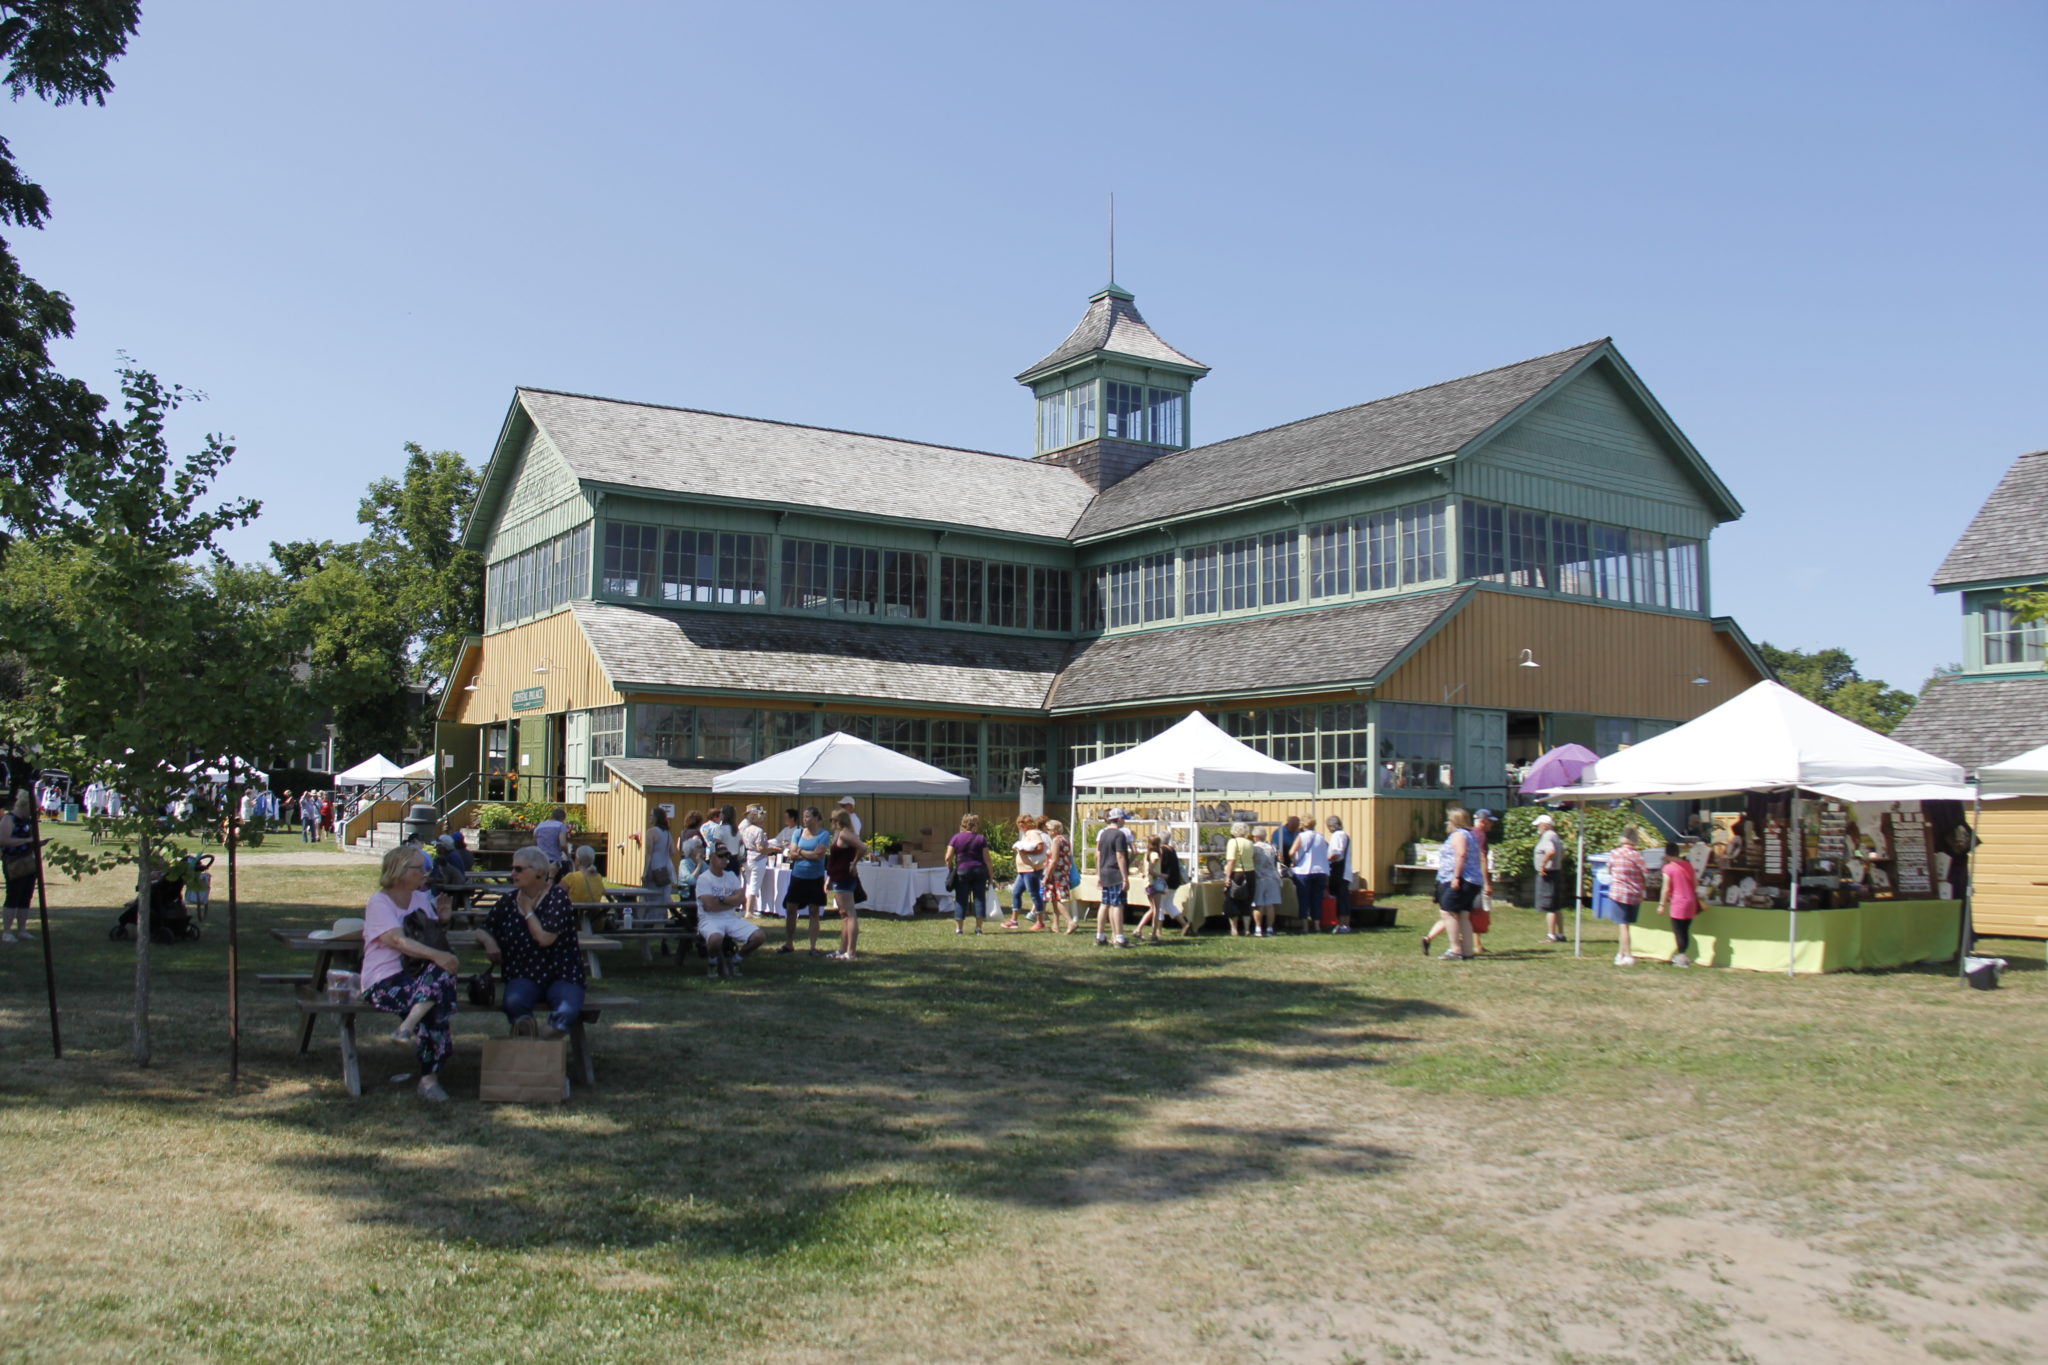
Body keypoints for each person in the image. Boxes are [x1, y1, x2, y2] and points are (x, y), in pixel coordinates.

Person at [360, 844, 461, 1102]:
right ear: (401, 871)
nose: (426, 873)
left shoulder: (420, 898)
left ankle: (406, 1028)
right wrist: (438, 956)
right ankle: (429, 1080)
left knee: (441, 978)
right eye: (420, 868)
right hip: (385, 980)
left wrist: (443, 921)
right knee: (439, 997)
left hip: (418, 976)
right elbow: (397, 941)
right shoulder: (379, 902)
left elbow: (429, 940)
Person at [476, 845, 585, 1039]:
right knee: (514, 1003)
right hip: (523, 972)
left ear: (539, 873)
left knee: (567, 1012)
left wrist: (527, 912)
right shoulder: (508, 901)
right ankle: (527, 1042)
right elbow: (483, 927)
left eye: (519, 869)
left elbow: (544, 938)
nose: (513, 874)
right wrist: (489, 942)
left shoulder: (557, 898)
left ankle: (538, 1043)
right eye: (512, 868)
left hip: (561, 973)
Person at [694, 844, 763, 974]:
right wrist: (731, 901)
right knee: (715, 939)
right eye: (721, 856)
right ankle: (712, 962)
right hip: (709, 919)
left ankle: (736, 959)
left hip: (731, 918)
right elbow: (709, 906)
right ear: (711, 857)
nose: (725, 859)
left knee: (759, 936)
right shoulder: (704, 879)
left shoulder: (731, 876)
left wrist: (721, 899)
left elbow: (742, 900)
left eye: (727, 856)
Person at [1427, 809, 1481, 961]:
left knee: (1447, 912)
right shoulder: (1470, 835)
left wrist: (1456, 877)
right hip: (1473, 880)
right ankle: (1468, 951)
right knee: (1463, 914)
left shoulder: (1459, 835)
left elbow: (1461, 854)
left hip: (1461, 879)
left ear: (1455, 821)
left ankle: (1456, 949)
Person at [781, 806, 831, 954]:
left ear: (816, 818)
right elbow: (792, 853)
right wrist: (805, 853)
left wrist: (800, 852)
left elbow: (818, 855)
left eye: (808, 816)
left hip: (815, 877)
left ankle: (813, 947)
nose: (805, 819)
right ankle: (789, 943)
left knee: (814, 911)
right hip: (798, 876)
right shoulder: (798, 832)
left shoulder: (824, 834)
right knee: (791, 908)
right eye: (804, 817)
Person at [825, 810, 868, 960]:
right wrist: (829, 878)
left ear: (838, 820)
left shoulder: (845, 834)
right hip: (837, 876)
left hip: (844, 876)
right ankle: (842, 949)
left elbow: (863, 848)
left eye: (832, 819)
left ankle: (851, 951)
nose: (830, 823)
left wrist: (854, 863)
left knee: (850, 914)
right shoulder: (841, 834)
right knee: (844, 915)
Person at [2, 791, 39, 942]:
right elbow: (3, 840)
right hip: (14, 862)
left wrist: (36, 843)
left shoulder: (28, 821)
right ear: (25, 805)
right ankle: (7, 931)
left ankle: (22, 929)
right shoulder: (8, 819)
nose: (33, 812)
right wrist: (27, 841)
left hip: (29, 861)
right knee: (14, 895)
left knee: (26, 896)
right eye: (32, 808)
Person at [1607, 826, 1646, 966]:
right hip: (1635, 893)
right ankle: (1621, 953)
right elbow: (1644, 873)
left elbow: (1609, 870)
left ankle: (1628, 955)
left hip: (1618, 892)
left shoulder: (1614, 853)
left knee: (1623, 926)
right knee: (1626, 925)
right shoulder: (1638, 855)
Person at [1093, 808, 1133, 947]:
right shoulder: (1119, 835)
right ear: (1119, 819)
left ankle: (1100, 936)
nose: (1124, 821)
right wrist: (1125, 877)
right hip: (1115, 873)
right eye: (1124, 818)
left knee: (1104, 904)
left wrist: (1099, 874)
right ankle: (1120, 938)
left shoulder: (1103, 834)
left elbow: (1098, 855)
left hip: (1104, 872)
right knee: (1117, 905)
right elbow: (1120, 856)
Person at [946, 813, 991, 935]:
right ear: (976, 825)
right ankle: (979, 929)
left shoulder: (956, 838)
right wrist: (991, 876)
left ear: (963, 824)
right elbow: (987, 859)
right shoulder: (981, 838)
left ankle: (959, 929)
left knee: (961, 899)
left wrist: (950, 868)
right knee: (979, 898)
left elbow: (948, 857)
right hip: (979, 870)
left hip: (962, 870)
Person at [1659, 838, 1700, 967]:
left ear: (1666, 854)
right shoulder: (1688, 865)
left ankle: (1682, 957)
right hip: (1691, 901)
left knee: (1678, 931)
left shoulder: (1668, 868)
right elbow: (1695, 883)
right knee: (1685, 930)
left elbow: (1665, 888)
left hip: (1678, 902)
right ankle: (1683, 954)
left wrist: (1661, 904)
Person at [1132, 836, 1177, 943]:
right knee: (1156, 909)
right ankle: (1153, 934)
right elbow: (1151, 870)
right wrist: (1162, 875)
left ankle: (1138, 929)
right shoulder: (1155, 855)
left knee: (1153, 909)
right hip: (1154, 884)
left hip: (1148, 883)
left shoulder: (1146, 854)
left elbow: (1145, 869)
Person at [1290, 817, 1330, 934]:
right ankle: (1317, 925)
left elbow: (1292, 852)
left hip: (1304, 871)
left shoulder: (1301, 836)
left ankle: (1305, 926)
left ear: (1302, 825)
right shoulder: (1321, 837)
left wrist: (1294, 861)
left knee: (1303, 899)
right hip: (1320, 871)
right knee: (1317, 899)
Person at [1006, 813, 1047, 928]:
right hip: (1023, 870)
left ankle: (1039, 921)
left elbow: (1040, 848)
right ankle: (1013, 920)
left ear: (1029, 823)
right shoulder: (1026, 834)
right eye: (1019, 822)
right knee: (1016, 892)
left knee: (1034, 894)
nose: (1020, 825)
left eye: (1023, 822)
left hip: (1031, 869)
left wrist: (1025, 851)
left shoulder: (1033, 833)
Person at [1532, 813, 1567, 942]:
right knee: (1556, 906)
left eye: (1539, 825)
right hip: (1556, 872)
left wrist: (1542, 865)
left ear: (1545, 825)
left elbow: (1551, 851)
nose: (1538, 828)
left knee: (1550, 906)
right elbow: (1562, 853)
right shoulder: (1555, 836)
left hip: (1548, 874)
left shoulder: (1547, 836)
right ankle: (1560, 934)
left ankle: (1551, 935)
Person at [1223, 821, 1258, 937]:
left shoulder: (1233, 842)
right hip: (1250, 873)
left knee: (1232, 900)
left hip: (1237, 873)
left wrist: (1227, 876)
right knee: (1247, 901)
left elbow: (1231, 861)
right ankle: (1247, 929)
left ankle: (1234, 929)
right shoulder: (1250, 843)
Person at [1042, 818, 1075, 935]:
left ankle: (1070, 921)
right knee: (1054, 899)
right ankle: (1055, 924)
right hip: (1063, 872)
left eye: (1049, 829)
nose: (1047, 831)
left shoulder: (1056, 841)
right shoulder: (1065, 840)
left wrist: (1046, 876)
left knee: (1058, 898)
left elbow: (1054, 860)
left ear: (1055, 830)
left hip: (1056, 874)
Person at [739, 805, 772, 916]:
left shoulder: (746, 829)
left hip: (747, 858)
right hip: (757, 859)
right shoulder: (759, 831)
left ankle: (748, 909)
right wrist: (774, 849)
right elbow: (760, 848)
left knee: (749, 884)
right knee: (754, 885)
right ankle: (749, 911)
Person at [1251, 829, 1283, 938]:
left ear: (1255, 836)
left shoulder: (1255, 848)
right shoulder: (1272, 847)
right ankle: (1270, 928)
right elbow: (1279, 859)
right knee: (1270, 905)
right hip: (1272, 877)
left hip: (1259, 877)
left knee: (1258, 905)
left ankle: (1258, 928)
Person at [642, 807, 677, 902]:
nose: (649, 817)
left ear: (656, 818)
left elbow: (648, 854)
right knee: (664, 897)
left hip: (654, 869)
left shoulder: (651, 832)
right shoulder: (668, 833)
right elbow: (672, 852)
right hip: (666, 869)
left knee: (649, 897)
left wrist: (645, 872)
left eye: (651, 815)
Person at [1325, 815, 1351, 932]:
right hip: (1344, 872)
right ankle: (1345, 924)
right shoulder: (1344, 835)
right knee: (1344, 899)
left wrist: (1326, 860)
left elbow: (1336, 853)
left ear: (1331, 826)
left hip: (1339, 871)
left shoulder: (1337, 835)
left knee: (1340, 899)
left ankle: (1341, 924)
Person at [532, 807, 571, 875]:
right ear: (562, 818)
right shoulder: (560, 826)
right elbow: (563, 844)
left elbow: (535, 842)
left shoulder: (540, 825)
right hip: (554, 860)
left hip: (540, 861)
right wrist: (568, 855)